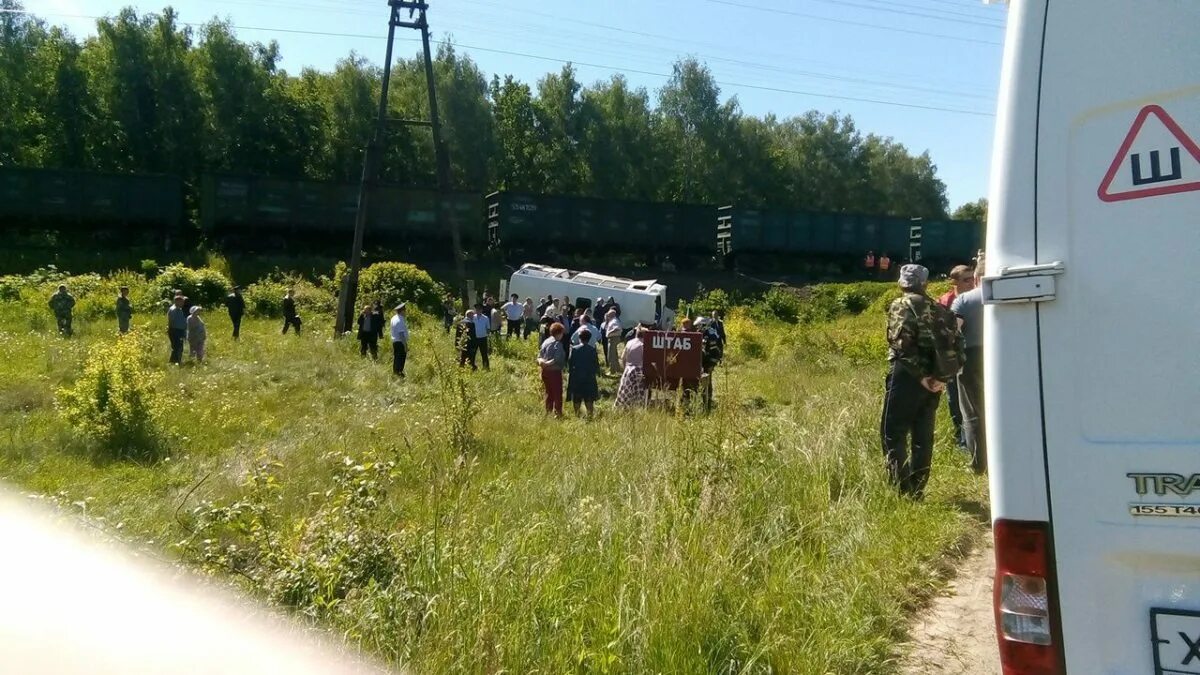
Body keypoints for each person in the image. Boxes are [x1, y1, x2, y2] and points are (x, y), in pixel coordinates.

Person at [881, 264, 954, 498]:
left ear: (902, 283)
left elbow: (900, 345)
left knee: (893, 431)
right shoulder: (940, 309)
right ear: (925, 284)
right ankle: (918, 489)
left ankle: (901, 489)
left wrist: (921, 376)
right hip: (935, 378)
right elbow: (956, 345)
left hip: (907, 375)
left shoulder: (901, 305)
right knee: (923, 434)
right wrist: (941, 378)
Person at [951, 261, 987, 474]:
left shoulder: (964, 300)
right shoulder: (1006, 296)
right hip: (1003, 355)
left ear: (975, 279)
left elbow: (954, 331)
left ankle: (978, 463)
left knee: (972, 412)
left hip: (971, 357)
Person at [939, 265, 975, 451]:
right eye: (966, 280)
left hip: (973, 354)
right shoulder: (946, 301)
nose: (971, 283)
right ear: (954, 282)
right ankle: (961, 438)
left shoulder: (974, 299)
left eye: (972, 278)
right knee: (955, 399)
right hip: (954, 358)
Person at [566, 328, 600, 418]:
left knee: (577, 398)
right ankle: (590, 414)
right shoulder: (592, 350)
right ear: (589, 338)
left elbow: (570, 362)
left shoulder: (574, 349)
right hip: (589, 376)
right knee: (589, 397)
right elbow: (596, 364)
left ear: (579, 338)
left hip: (576, 376)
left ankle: (577, 414)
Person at [537, 322, 567, 417]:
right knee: (557, 392)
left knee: (548, 392)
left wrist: (542, 363)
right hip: (554, 371)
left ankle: (548, 410)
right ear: (559, 333)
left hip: (544, 371)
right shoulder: (558, 344)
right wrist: (547, 363)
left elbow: (539, 356)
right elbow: (557, 359)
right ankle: (558, 412)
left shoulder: (546, 341)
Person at [614, 325, 648, 408]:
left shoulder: (630, 342)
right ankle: (638, 408)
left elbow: (623, 358)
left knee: (626, 390)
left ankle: (622, 406)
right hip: (639, 370)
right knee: (639, 392)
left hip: (628, 369)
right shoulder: (645, 344)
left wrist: (625, 368)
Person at [167, 295, 188, 365]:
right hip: (175, 330)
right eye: (182, 302)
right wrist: (172, 330)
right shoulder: (174, 310)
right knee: (177, 347)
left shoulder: (179, 309)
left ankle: (175, 361)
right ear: (177, 301)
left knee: (178, 347)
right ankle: (176, 361)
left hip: (180, 330)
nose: (183, 303)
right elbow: (171, 321)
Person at [390, 303, 409, 377]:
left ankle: (395, 373)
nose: (405, 312)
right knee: (400, 359)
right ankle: (399, 374)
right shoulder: (400, 320)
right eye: (405, 310)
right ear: (402, 311)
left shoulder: (394, 318)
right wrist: (405, 345)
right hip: (400, 342)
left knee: (396, 358)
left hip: (395, 342)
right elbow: (401, 334)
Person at [470, 304, 491, 370]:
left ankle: (486, 367)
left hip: (483, 338)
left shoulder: (485, 318)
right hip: (474, 338)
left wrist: (486, 334)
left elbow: (488, 328)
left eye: (479, 309)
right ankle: (472, 366)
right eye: (477, 309)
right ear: (475, 310)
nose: (478, 310)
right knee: (473, 353)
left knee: (484, 353)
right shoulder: (472, 317)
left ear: (482, 310)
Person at [602, 309, 622, 373]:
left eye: (609, 314)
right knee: (615, 355)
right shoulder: (613, 320)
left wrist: (609, 333)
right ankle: (617, 369)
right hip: (614, 338)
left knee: (611, 355)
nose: (608, 315)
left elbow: (617, 328)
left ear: (612, 314)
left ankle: (612, 370)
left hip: (613, 338)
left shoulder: (614, 321)